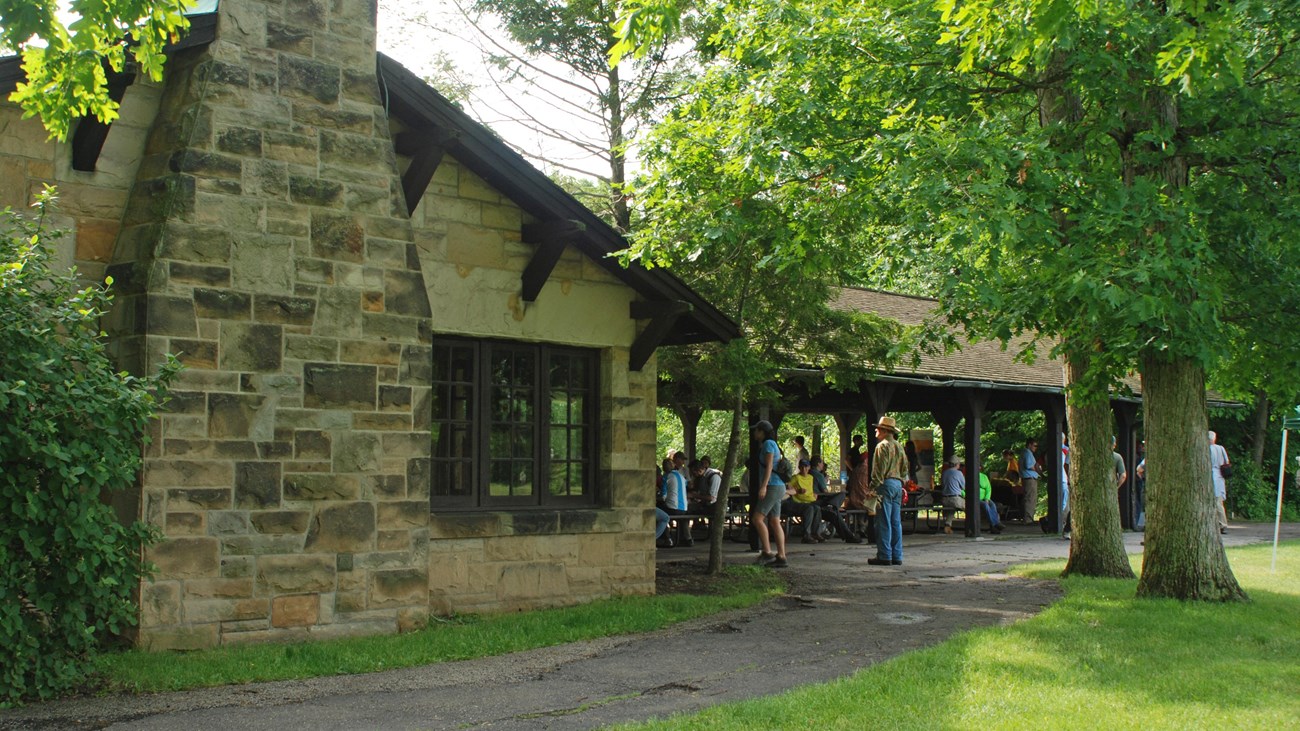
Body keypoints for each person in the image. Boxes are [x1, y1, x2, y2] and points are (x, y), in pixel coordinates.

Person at [867, 416, 909, 566]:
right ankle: (897, 555)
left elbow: (879, 470)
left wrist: (873, 487)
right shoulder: (899, 446)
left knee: (883, 521)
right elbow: (905, 468)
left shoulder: (882, 446)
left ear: (885, 430)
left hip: (885, 484)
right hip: (898, 484)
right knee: (895, 521)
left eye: (878, 428)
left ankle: (884, 555)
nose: (876, 431)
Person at [750, 420, 789, 568]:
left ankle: (767, 552)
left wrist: (763, 486)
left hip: (772, 486)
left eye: (756, 430)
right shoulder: (772, 444)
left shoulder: (768, 444)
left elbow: (769, 466)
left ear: (762, 432)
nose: (755, 433)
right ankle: (781, 556)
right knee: (774, 521)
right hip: (778, 486)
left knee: (757, 519)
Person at [811, 456, 864, 543]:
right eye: (822, 463)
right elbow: (824, 491)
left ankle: (833, 506)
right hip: (818, 502)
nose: (822, 465)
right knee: (842, 494)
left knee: (835, 511)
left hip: (816, 502)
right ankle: (849, 535)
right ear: (818, 464)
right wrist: (825, 481)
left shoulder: (810, 473)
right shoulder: (818, 475)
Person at [783, 459, 824, 544]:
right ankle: (806, 535)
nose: (804, 469)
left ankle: (815, 533)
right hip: (799, 501)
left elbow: (811, 489)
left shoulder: (811, 477)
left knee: (817, 508)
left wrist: (814, 494)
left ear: (809, 467)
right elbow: (789, 487)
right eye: (802, 467)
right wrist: (797, 490)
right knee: (809, 509)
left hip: (811, 500)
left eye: (806, 466)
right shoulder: (795, 478)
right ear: (799, 467)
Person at [658, 451, 693, 547]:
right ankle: (688, 538)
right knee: (681, 516)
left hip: (673, 508)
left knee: (659, 514)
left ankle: (667, 538)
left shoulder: (666, 476)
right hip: (684, 509)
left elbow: (663, 495)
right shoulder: (681, 476)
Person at [1210, 431, 1231, 534]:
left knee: (1217, 501)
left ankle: (1222, 523)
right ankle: (1220, 523)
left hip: (1213, 475)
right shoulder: (1221, 448)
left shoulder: (1209, 449)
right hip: (1220, 475)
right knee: (1219, 500)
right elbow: (1226, 462)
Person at [939, 456, 965, 535]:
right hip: (955, 499)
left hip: (944, 499)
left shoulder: (944, 473)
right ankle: (971, 526)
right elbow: (964, 486)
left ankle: (948, 525)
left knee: (952, 509)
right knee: (971, 507)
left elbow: (943, 485)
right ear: (957, 464)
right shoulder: (959, 473)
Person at [1020, 438, 1040, 524]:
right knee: (1030, 498)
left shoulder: (1026, 453)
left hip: (1028, 479)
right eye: (1035, 445)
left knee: (1029, 498)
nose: (1036, 448)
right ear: (1029, 445)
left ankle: (1028, 518)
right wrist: (1038, 469)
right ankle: (1028, 519)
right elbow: (1028, 465)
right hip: (1029, 479)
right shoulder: (1027, 453)